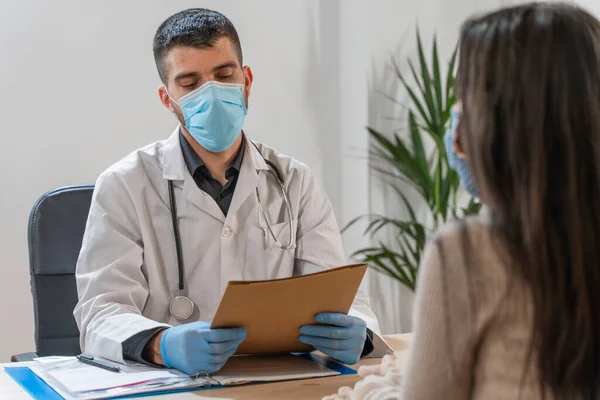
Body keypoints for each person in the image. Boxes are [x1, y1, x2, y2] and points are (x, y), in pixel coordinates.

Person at [73, 8, 388, 376]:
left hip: (277, 382)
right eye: (189, 84)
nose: (211, 94)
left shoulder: (295, 181)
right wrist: (161, 345)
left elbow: (339, 294)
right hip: (169, 385)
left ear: (246, 80)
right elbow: (100, 312)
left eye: (224, 76)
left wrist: (359, 333)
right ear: (167, 98)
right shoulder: (125, 185)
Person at [328, 2, 600, 399]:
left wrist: (369, 393)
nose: (455, 126)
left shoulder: (469, 254)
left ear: (500, 124)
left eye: (464, 99)